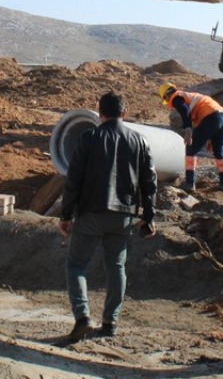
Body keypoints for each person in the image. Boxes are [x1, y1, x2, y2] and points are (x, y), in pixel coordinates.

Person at [59, 91, 157, 344]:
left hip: (91, 212)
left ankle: (82, 317)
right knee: (116, 267)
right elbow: (150, 182)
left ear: (99, 112)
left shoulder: (88, 138)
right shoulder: (139, 141)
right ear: (125, 113)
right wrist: (149, 216)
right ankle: (110, 322)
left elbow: (73, 180)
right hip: (123, 215)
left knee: (76, 265)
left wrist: (66, 215)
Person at [159, 83, 223, 192]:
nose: (170, 104)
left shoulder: (176, 97)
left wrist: (188, 129)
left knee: (190, 149)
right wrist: (211, 136)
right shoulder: (191, 96)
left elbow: (185, 110)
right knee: (219, 152)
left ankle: (189, 183)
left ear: (167, 95)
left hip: (211, 118)